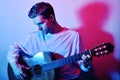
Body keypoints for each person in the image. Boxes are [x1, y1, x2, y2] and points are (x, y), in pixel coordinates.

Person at [7, 2, 92, 80]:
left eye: (41, 23)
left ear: (51, 18)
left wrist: (85, 64)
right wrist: (14, 65)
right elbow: (13, 47)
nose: (39, 28)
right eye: (36, 24)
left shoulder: (73, 36)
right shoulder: (33, 37)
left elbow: (81, 64)